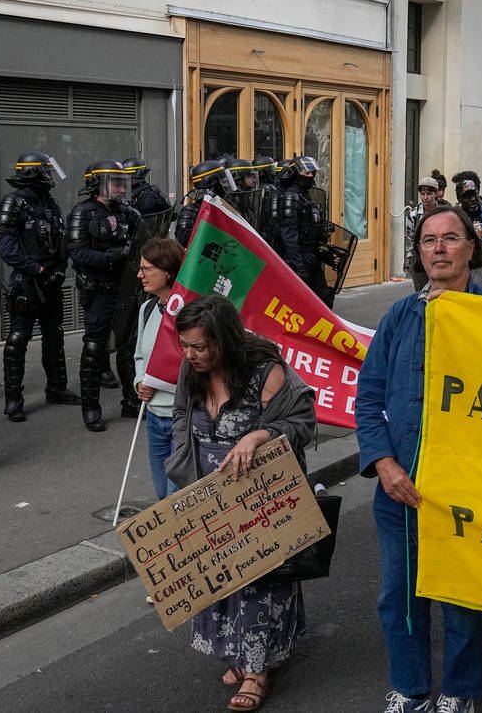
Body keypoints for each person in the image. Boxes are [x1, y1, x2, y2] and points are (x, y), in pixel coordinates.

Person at [356, 206, 482, 713]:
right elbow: (368, 397)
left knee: (461, 596)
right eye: (428, 240)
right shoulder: (400, 315)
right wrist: (382, 463)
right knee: (400, 596)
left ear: (470, 249)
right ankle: (411, 686)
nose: (438, 248)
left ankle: (459, 692)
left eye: (450, 238)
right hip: (401, 486)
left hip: (467, 488)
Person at [170, 296, 316, 713]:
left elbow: (303, 423)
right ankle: (236, 652)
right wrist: (186, 456)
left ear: (225, 340)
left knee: (259, 582)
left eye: (200, 347)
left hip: (261, 501)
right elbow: (182, 414)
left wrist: (257, 437)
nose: (191, 355)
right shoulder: (190, 370)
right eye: (186, 346)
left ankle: (257, 671)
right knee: (222, 579)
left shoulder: (266, 373)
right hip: (210, 496)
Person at [0, 151, 81, 422]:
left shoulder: (50, 204)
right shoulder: (13, 203)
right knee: (18, 340)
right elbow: (7, 248)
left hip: (51, 281)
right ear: (34, 174)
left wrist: (58, 269)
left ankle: (56, 388)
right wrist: (37, 270)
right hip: (27, 283)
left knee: (54, 335)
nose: (50, 176)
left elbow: (60, 240)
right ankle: (13, 399)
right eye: (46, 171)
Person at [68, 160, 142, 432]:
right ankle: (91, 407)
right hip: (98, 290)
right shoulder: (82, 213)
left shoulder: (128, 212)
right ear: (97, 184)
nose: (121, 187)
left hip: (126, 288)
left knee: (129, 347)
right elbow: (77, 253)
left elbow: (143, 239)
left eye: (123, 182)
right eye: (115, 182)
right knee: (94, 348)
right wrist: (114, 257)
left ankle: (130, 401)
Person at [133, 237, 184, 499]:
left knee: (177, 498)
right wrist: (140, 381)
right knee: (162, 496)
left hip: (183, 417)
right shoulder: (147, 309)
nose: (140, 275)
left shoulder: (190, 312)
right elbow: (139, 355)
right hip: (153, 416)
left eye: (147, 269)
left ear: (168, 271)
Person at [271, 156, 336, 307]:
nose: (311, 176)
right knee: (298, 304)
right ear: (295, 173)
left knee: (324, 299)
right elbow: (289, 235)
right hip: (299, 257)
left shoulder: (305, 196)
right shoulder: (290, 197)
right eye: (306, 173)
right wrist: (299, 266)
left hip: (311, 254)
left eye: (312, 172)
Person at [175, 159, 233, 247]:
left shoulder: (228, 207)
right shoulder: (191, 209)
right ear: (211, 182)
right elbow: (182, 239)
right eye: (223, 181)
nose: (226, 185)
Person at [406, 177, 441, 291]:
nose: (425, 198)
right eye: (422, 194)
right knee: (421, 293)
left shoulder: (443, 212)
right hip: (419, 259)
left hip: (438, 255)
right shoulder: (414, 214)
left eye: (429, 194)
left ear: (436, 194)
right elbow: (409, 238)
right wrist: (410, 262)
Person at [122, 157, 173, 223]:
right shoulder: (154, 193)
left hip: (129, 232)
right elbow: (172, 215)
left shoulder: (119, 195)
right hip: (153, 233)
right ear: (143, 174)